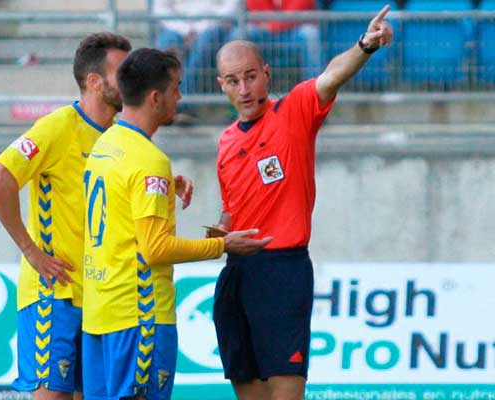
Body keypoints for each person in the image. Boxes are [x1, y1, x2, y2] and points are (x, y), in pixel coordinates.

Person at [211, 6, 393, 400]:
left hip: (282, 270)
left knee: (286, 388)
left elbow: (331, 75)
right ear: (221, 85)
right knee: (248, 388)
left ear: (267, 74)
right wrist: (221, 231)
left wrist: (365, 45)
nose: (244, 89)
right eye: (233, 80)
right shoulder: (225, 142)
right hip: (235, 270)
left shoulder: (292, 112)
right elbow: (231, 207)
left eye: (251, 76)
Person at [80, 48, 272, 400]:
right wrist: (222, 245)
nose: (180, 96)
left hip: (98, 316)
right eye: (176, 88)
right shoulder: (149, 160)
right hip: (138, 317)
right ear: (156, 97)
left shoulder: (105, 144)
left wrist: (165, 185)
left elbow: (120, 206)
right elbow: (156, 249)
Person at [0, 32, 131, 400]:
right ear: (95, 82)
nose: (132, 81)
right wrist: (31, 251)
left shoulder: (120, 137)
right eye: (122, 72)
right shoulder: (57, 126)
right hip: (55, 295)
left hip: (99, 298)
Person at [154, 0, 238, 95]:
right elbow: (159, 8)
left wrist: (198, 29)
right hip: (176, 26)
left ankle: (183, 98)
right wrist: (185, 30)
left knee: (205, 41)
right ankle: (165, 98)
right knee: (166, 42)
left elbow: (230, 7)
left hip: (213, 25)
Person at [238, 0, 322, 80]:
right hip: (264, 32)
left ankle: (315, 89)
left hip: (292, 31)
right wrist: (274, 23)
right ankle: (241, 86)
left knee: (310, 33)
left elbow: (296, 11)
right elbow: (255, 7)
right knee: (241, 33)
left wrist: (274, 25)